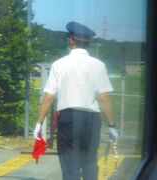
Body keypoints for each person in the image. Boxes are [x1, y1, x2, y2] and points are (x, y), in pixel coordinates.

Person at [33, 21, 118, 180]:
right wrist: (112, 126)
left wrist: (39, 124)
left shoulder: (59, 65)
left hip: (68, 119)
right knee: (90, 164)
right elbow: (103, 98)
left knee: (70, 166)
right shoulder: (99, 65)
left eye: (68, 38)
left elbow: (49, 96)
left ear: (71, 40)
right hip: (92, 120)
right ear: (88, 42)